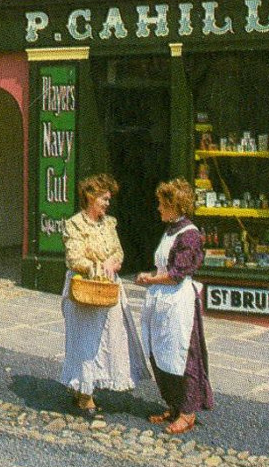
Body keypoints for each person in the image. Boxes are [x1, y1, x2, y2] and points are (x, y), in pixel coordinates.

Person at [60, 173, 148, 418]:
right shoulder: (74, 224)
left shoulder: (110, 223)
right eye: (104, 199)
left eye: (109, 199)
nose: (108, 203)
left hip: (109, 288)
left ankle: (92, 385)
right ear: (90, 197)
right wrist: (96, 267)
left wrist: (113, 262)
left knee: (107, 341)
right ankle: (84, 393)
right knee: (84, 341)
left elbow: (119, 252)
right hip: (85, 289)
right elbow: (74, 257)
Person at [136, 177, 215, 435]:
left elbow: (177, 274)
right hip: (162, 300)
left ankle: (188, 412)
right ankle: (174, 404)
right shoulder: (170, 229)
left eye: (162, 204)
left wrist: (150, 279)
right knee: (162, 352)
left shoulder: (190, 235)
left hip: (179, 301)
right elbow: (165, 267)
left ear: (174, 205)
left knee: (184, 355)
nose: (158, 208)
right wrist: (152, 276)